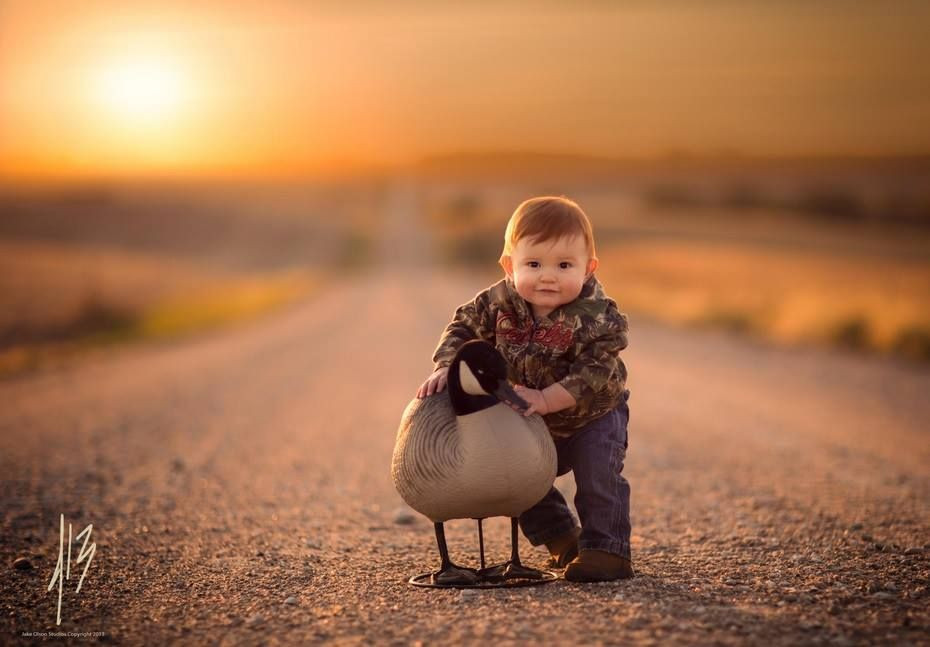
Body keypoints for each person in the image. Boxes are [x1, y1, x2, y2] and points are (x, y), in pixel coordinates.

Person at [416, 196, 633, 582]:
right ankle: (563, 539)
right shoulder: (497, 302)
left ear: (589, 269)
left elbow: (597, 369)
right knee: (519, 477)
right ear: (509, 265)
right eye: (533, 264)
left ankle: (607, 549)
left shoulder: (599, 314)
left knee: (597, 476)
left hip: (592, 416)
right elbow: (462, 328)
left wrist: (549, 398)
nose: (547, 276)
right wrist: (447, 364)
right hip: (529, 413)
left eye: (564, 265)